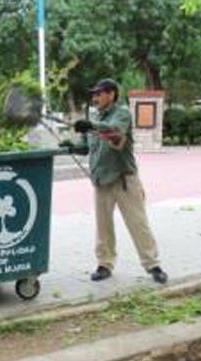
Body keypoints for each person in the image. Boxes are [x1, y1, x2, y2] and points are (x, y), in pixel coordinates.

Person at [64, 78, 168, 284]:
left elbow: (114, 131)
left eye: (99, 93)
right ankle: (104, 264)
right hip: (101, 181)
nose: (95, 98)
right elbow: (86, 147)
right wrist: (71, 145)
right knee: (103, 226)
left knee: (138, 223)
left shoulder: (121, 114)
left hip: (123, 179)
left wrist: (91, 125)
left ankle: (152, 264)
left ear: (111, 94)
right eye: (93, 94)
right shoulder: (95, 117)